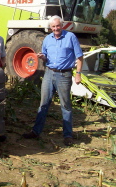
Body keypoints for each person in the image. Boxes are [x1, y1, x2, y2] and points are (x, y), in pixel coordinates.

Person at [22, 15, 83, 146]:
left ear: (62, 25)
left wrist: (78, 74)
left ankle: (67, 135)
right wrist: (42, 56)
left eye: (58, 26)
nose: (56, 28)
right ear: (50, 28)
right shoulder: (47, 39)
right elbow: (45, 56)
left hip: (64, 75)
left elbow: (79, 57)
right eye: (53, 26)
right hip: (49, 73)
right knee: (43, 104)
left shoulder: (70, 37)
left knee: (65, 106)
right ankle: (35, 131)